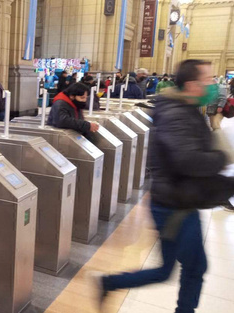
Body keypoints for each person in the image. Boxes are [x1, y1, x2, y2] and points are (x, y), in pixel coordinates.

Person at [94, 59, 234, 313]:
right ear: (192, 85)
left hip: (176, 201)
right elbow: (187, 160)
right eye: (209, 79)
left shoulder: (186, 109)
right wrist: (223, 156)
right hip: (174, 207)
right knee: (195, 268)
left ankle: (110, 282)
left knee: (166, 270)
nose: (213, 84)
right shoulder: (176, 114)